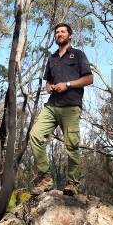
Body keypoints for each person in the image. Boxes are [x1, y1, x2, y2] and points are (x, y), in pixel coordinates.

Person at [29, 23, 93, 196]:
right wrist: (49, 87)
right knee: (35, 135)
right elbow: (48, 81)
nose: (59, 34)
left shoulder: (78, 55)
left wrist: (68, 84)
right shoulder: (52, 58)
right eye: (57, 32)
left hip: (71, 105)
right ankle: (46, 178)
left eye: (63, 32)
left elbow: (89, 79)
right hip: (52, 105)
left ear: (70, 36)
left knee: (71, 145)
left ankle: (73, 183)